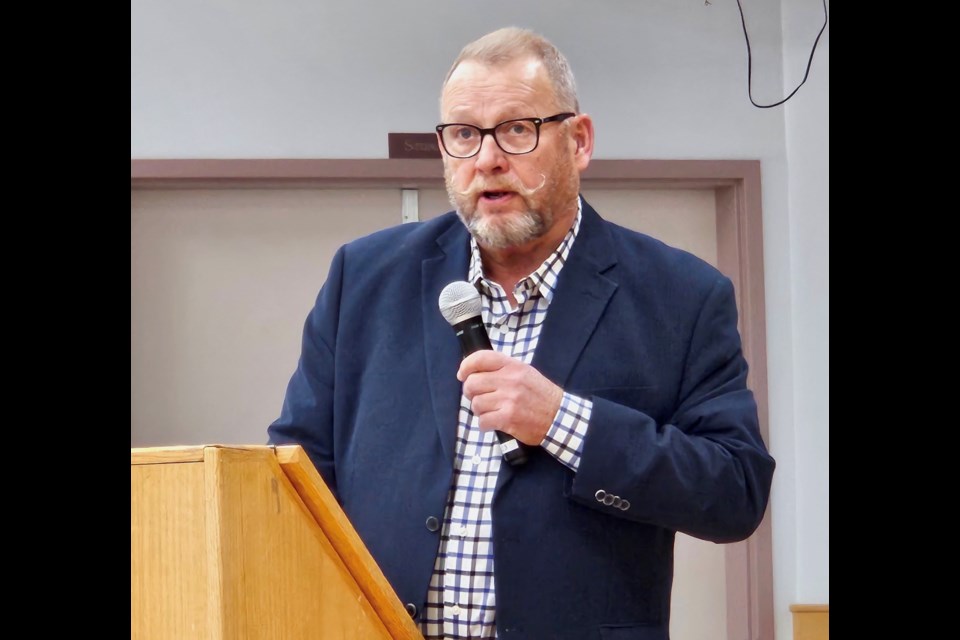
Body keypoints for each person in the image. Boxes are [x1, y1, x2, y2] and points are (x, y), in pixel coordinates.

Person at [268, 26, 775, 640]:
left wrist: (564, 421)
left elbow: (735, 493)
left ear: (579, 141)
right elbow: (295, 475)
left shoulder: (681, 296)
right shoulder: (366, 278)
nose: (486, 159)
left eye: (517, 129)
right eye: (463, 135)